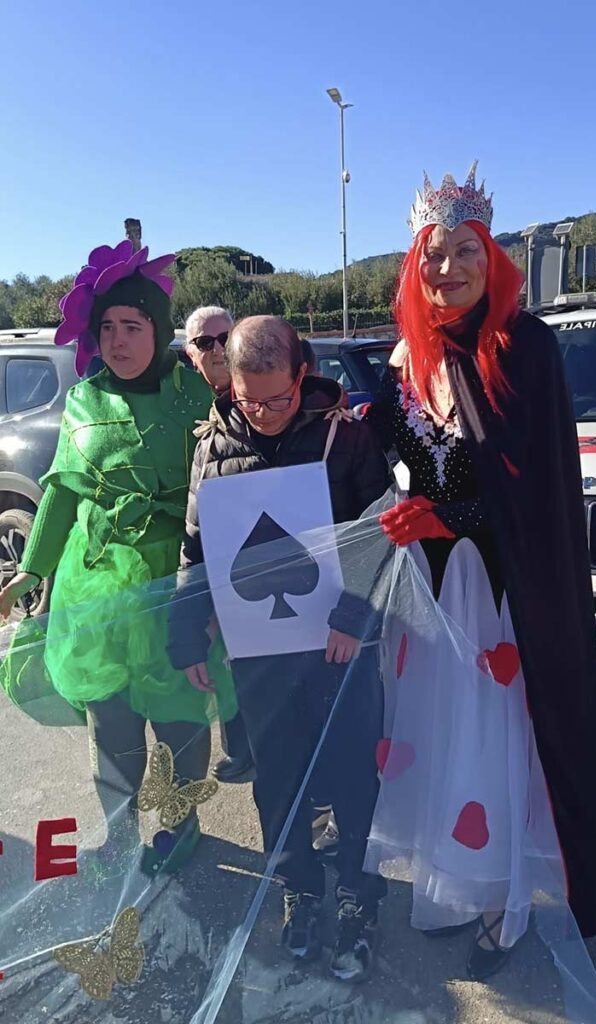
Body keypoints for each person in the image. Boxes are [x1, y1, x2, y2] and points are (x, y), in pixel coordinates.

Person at [363, 163, 596, 981]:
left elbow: (536, 493)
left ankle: (505, 903)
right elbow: (398, 460)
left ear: (491, 256)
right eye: (430, 255)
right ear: (413, 264)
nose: (446, 269)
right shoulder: (407, 356)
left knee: (498, 743)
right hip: (429, 594)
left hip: (502, 601)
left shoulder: (528, 346)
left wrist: (452, 518)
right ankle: (453, 886)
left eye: (463, 251)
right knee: (443, 744)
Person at [167, 315, 391, 982]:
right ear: (227, 383)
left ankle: (355, 890)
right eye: (248, 399)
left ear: (302, 375)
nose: (262, 414)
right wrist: (187, 633)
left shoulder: (344, 438)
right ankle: (297, 885)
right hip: (260, 652)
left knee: (352, 773)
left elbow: (380, 528)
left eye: (278, 398)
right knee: (278, 778)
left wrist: (353, 616)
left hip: (339, 647)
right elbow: (196, 549)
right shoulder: (210, 446)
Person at [0, 240, 235, 873]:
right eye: (106, 327)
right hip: (96, 583)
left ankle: (182, 823)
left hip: (177, 582)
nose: (117, 340)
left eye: (132, 326)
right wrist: (33, 567)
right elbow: (62, 490)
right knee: (113, 721)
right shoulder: (84, 399)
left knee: (181, 713)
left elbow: (237, 474)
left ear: (158, 331)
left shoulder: (199, 394)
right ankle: (117, 829)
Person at [184, 305, 255, 784]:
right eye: (203, 342)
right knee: (224, 660)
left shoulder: (260, 385)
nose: (215, 348)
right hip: (212, 551)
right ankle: (241, 749)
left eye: (223, 337)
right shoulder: (188, 404)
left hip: (269, 553)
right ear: (191, 354)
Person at [185, 305, 233, 395]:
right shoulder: (179, 402)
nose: (218, 350)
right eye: (205, 342)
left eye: (225, 339)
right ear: (191, 355)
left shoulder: (260, 394)